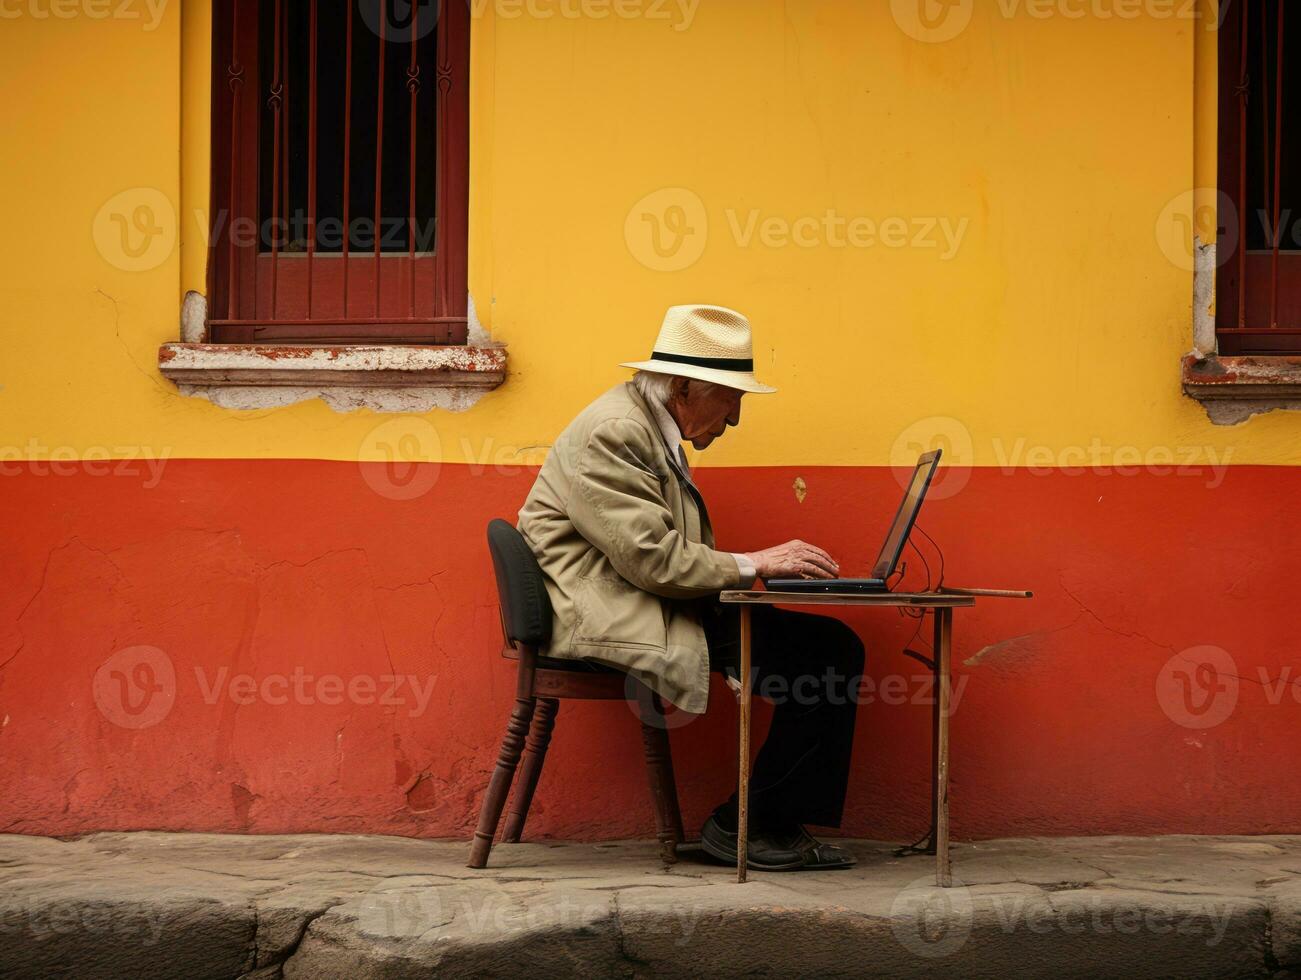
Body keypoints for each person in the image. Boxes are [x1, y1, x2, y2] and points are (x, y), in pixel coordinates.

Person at [518, 304, 865, 870]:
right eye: (730, 399)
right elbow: (653, 562)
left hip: (638, 600)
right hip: (610, 610)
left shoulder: (645, 424)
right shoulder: (617, 432)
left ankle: (758, 822)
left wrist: (749, 571)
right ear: (683, 387)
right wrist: (755, 563)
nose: (734, 419)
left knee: (824, 650)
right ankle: (752, 828)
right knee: (827, 656)